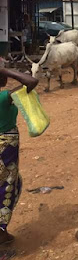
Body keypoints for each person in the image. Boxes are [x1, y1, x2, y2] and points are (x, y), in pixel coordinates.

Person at [0, 60, 38, 245]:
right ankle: (0, 231)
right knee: (7, 187)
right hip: (5, 149)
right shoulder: (4, 97)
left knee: (14, 182)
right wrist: (6, 69)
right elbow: (31, 82)